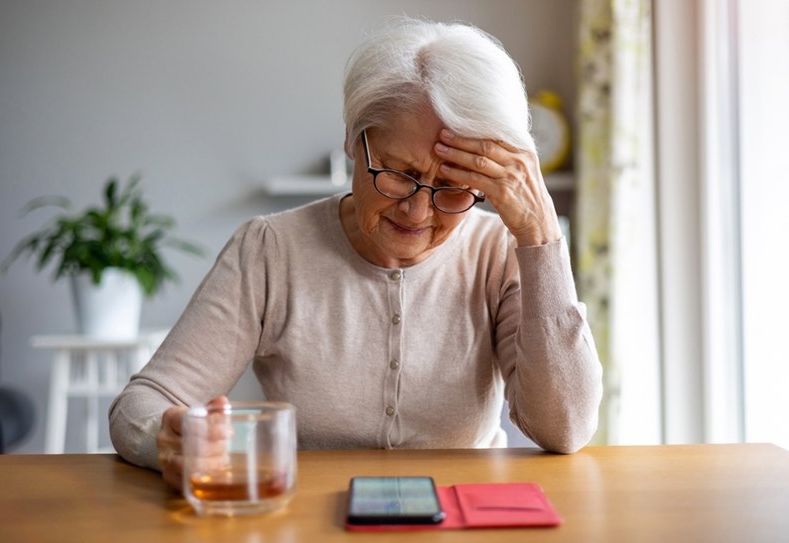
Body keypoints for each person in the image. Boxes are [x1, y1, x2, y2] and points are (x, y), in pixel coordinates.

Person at [109, 17, 603, 490]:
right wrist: (169, 441)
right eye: (396, 173)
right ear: (353, 140)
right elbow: (142, 404)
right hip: (308, 519)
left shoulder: (498, 251)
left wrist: (541, 238)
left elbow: (566, 428)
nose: (416, 211)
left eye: (452, 187)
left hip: (459, 517)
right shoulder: (269, 251)